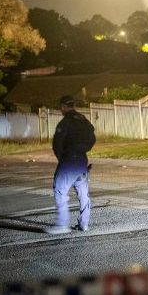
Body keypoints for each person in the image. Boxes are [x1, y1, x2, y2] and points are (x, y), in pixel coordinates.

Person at [46, 95, 96, 235]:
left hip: (69, 160)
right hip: (82, 160)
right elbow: (92, 138)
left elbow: (57, 144)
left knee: (60, 191)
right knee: (83, 193)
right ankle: (84, 224)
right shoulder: (83, 120)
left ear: (63, 106)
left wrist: (63, 159)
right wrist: (82, 150)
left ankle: (62, 224)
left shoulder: (65, 122)